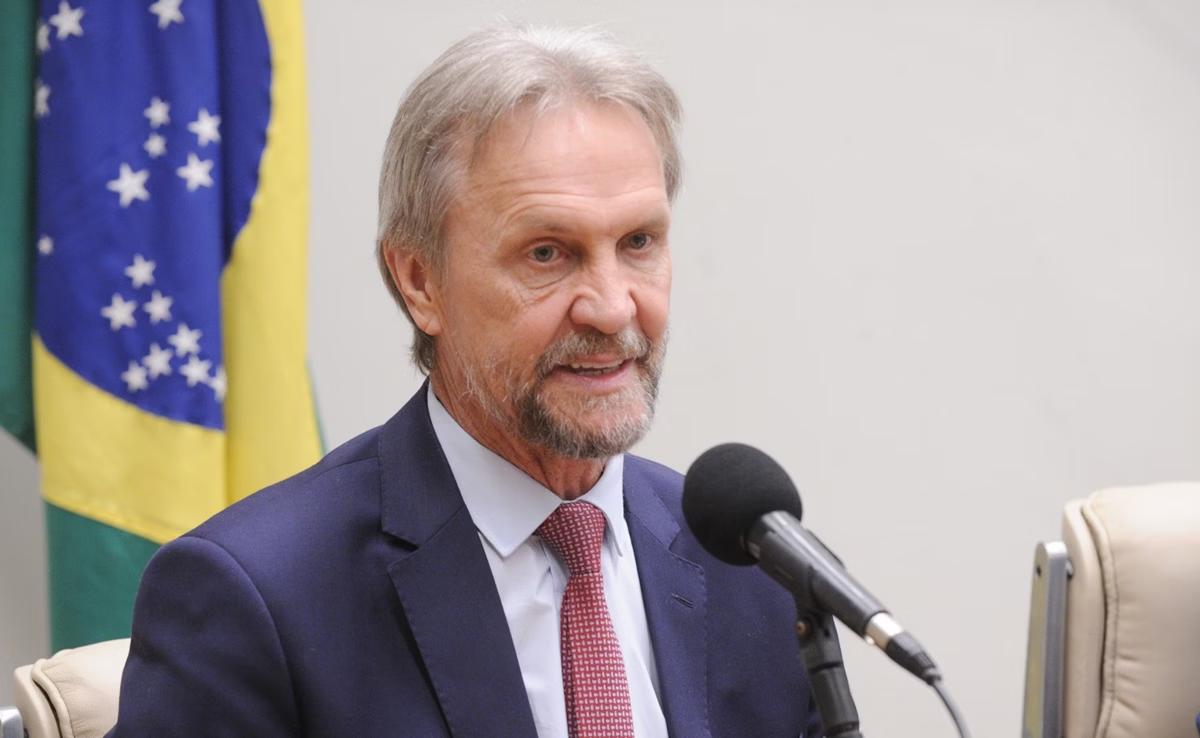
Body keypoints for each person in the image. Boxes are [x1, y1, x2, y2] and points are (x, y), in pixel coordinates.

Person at [108, 23, 823, 738]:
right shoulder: (259, 596)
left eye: (638, 243)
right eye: (548, 253)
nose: (611, 307)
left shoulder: (754, 569)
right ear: (420, 281)